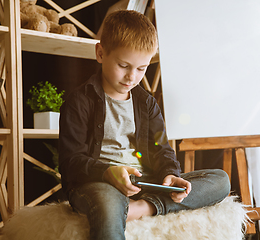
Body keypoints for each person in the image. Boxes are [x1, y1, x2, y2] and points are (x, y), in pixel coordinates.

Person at [58, 10, 230, 240]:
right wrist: (108, 173)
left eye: (141, 69)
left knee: (220, 180)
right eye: (123, 65)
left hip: (144, 183)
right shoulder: (79, 101)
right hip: (97, 183)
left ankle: (143, 208)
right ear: (100, 53)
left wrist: (170, 175)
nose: (132, 77)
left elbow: (161, 149)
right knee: (108, 202)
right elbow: (71, 162)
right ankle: (134, 206)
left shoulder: (146, 103)